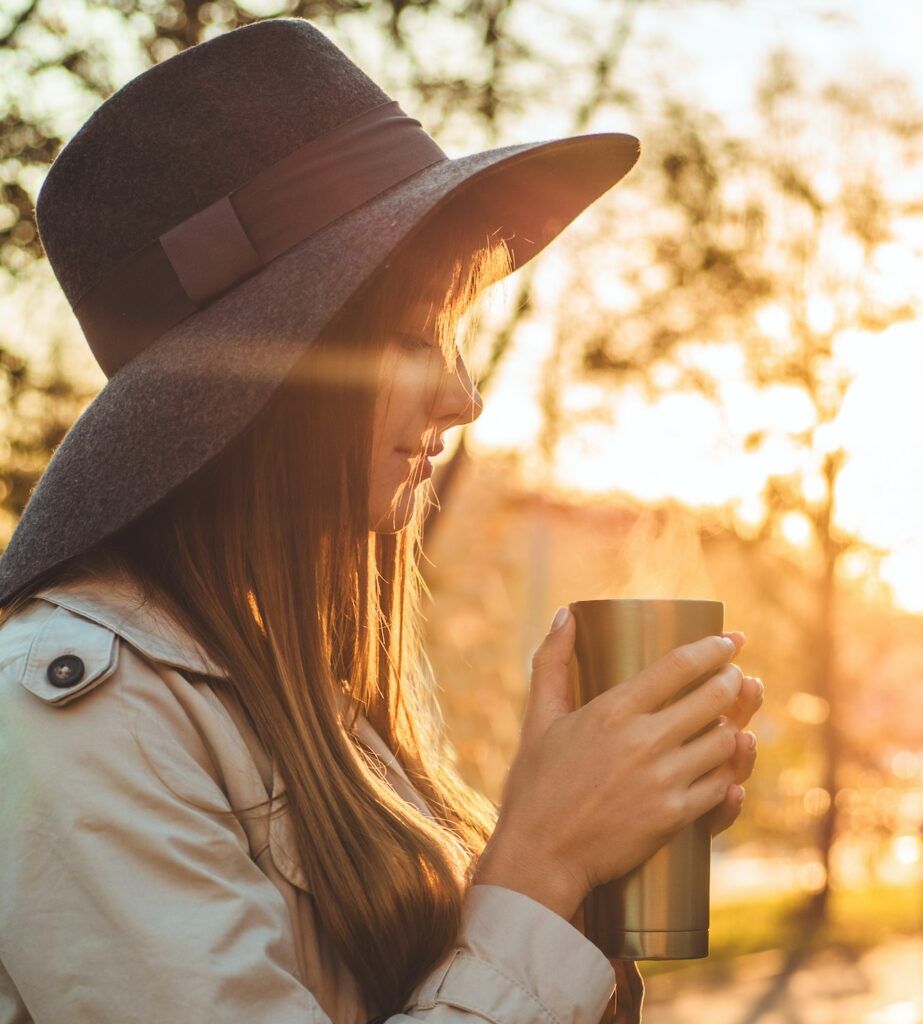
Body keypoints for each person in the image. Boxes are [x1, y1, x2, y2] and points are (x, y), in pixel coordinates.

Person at [0, 16, 762, 1024]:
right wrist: (541, 860)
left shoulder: (303, 681)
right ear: (269, 379)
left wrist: (592, 874)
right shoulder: (74, 718)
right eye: (409, 337)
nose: (461, 395)